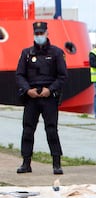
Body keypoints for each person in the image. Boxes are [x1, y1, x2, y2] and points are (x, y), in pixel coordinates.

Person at [15, 21, 67, 175]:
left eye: (41, 33)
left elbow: (62, 76)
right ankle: (26, 162)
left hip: (48, 97)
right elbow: (19, 75)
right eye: (36, 34)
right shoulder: (26, 53)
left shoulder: (56, 53)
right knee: (28, 130)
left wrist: (50, 90)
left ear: (46, 33)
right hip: (31, 97)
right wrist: (27, 90)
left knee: (51, 130)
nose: (39, 36)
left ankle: (56, 163)